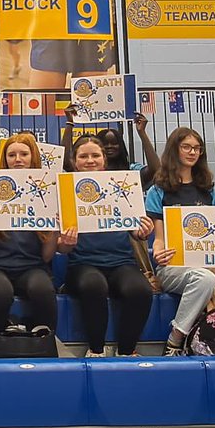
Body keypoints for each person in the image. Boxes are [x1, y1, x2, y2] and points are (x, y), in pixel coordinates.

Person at [145, 127, 215, 355]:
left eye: (197, 148)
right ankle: (174, 342)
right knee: (204, 278)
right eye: (186, 147)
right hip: (175, 266)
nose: (192, 152)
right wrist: (158, 253)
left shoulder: (207, 189)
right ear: (174, 150)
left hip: (213, 263)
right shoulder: (158, 191)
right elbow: (159, 239)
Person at [57, 133, 155, 356]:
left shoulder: (119, 188)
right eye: (83, 156)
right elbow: (62, 249)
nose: (90, 160)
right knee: (94, 285)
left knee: (140, 290)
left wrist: (143, 231)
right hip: (82, 265)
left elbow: (136, 232)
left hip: (121, 263)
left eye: (95, 155)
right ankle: (96, 351)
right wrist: (66, 242)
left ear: (104, 159)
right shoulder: (65, 192)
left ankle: (127, 352)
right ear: (74, 161)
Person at [0, 132, 58, 340]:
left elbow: (46, 257)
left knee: (43, 290)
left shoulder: (46, 194)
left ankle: (44, 346)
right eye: (11, 155)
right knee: (0, 293)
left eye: (24, 154)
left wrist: (54, 229)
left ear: (33, 156)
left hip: (33, 267)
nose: (17, 159)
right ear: (4, 159)